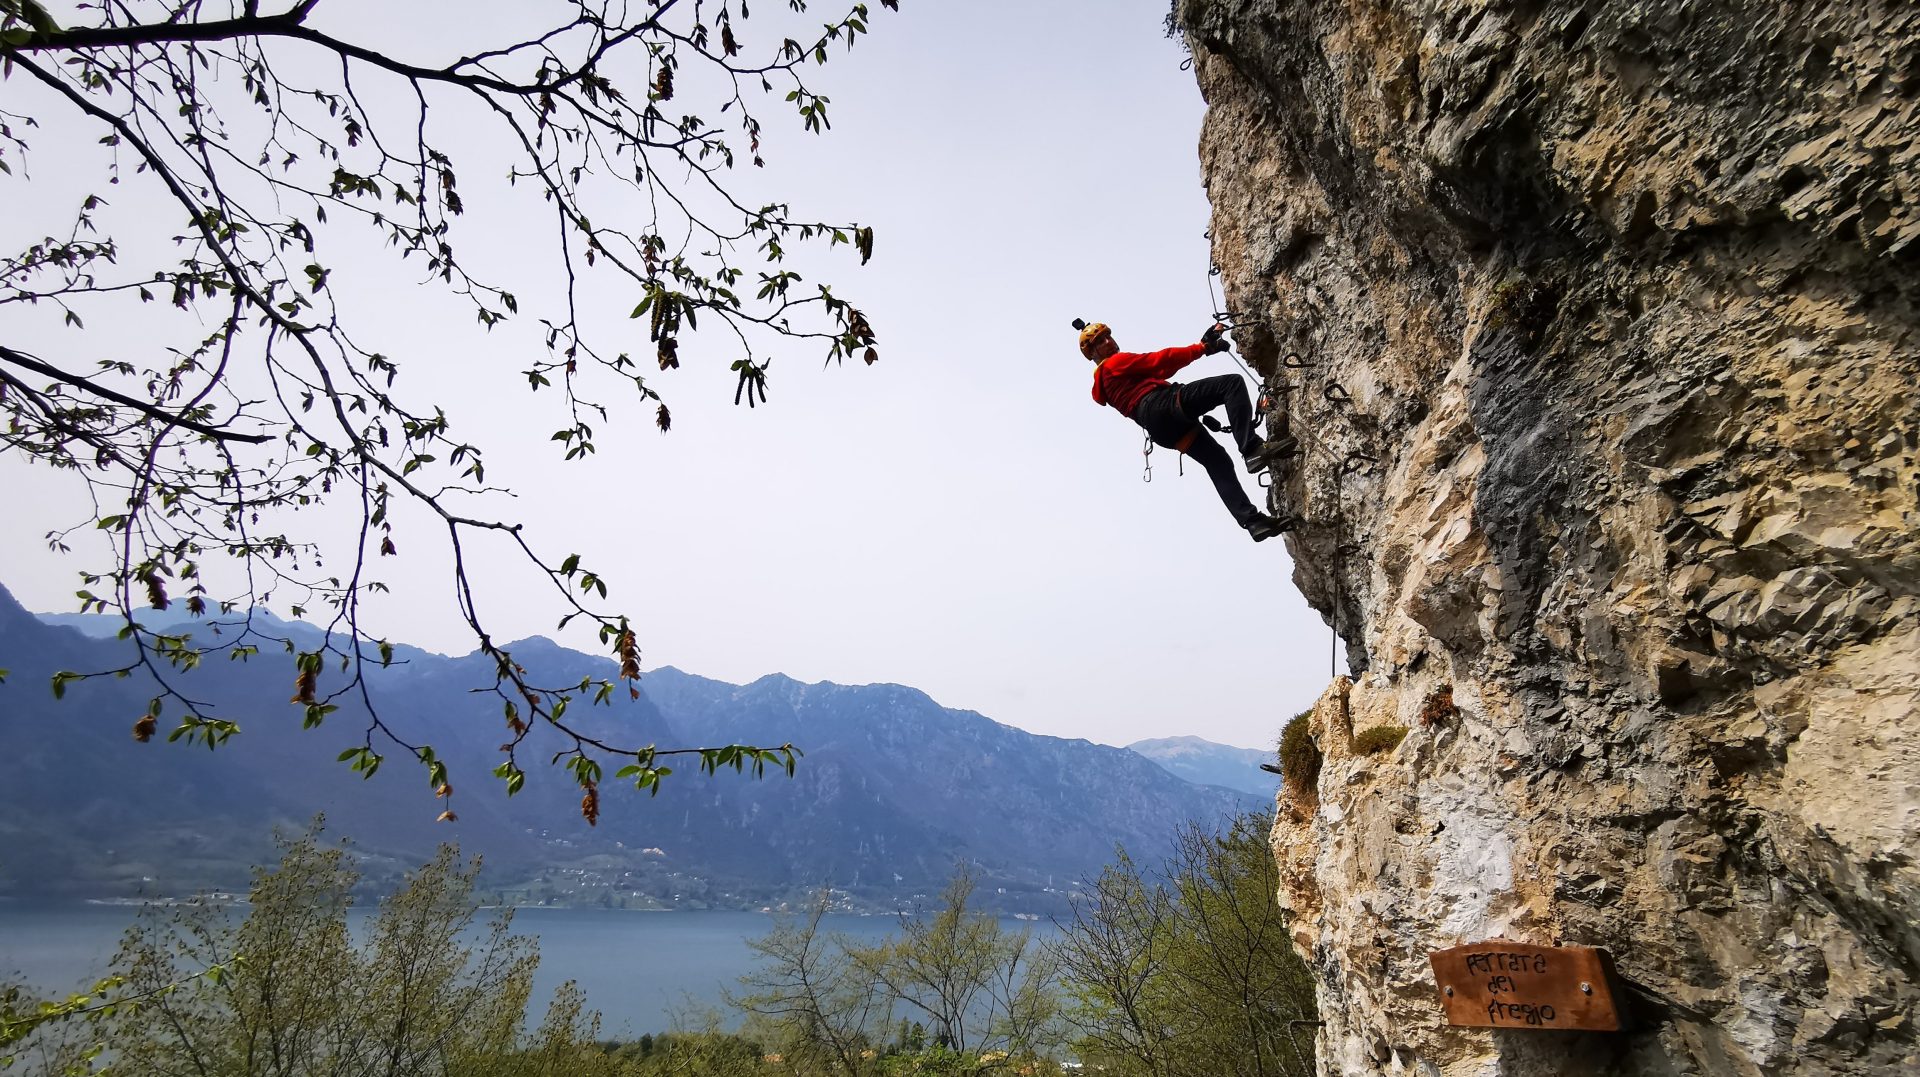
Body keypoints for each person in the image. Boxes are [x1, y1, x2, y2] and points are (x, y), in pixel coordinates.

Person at [1077, 318, 1298, 542]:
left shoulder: (1107, 383)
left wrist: (1203, 347)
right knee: (1231, 384)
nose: (1109, 341)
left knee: (1218, 461)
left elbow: (1158, 371)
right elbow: (1159, 362)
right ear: (1093, 353)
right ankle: (1252, 449)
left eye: (1108, 336)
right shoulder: (1114, 364)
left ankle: (1253, 522)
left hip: (1161, 430)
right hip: (1160, 406)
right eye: (1100, 341)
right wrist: (1203, 348)